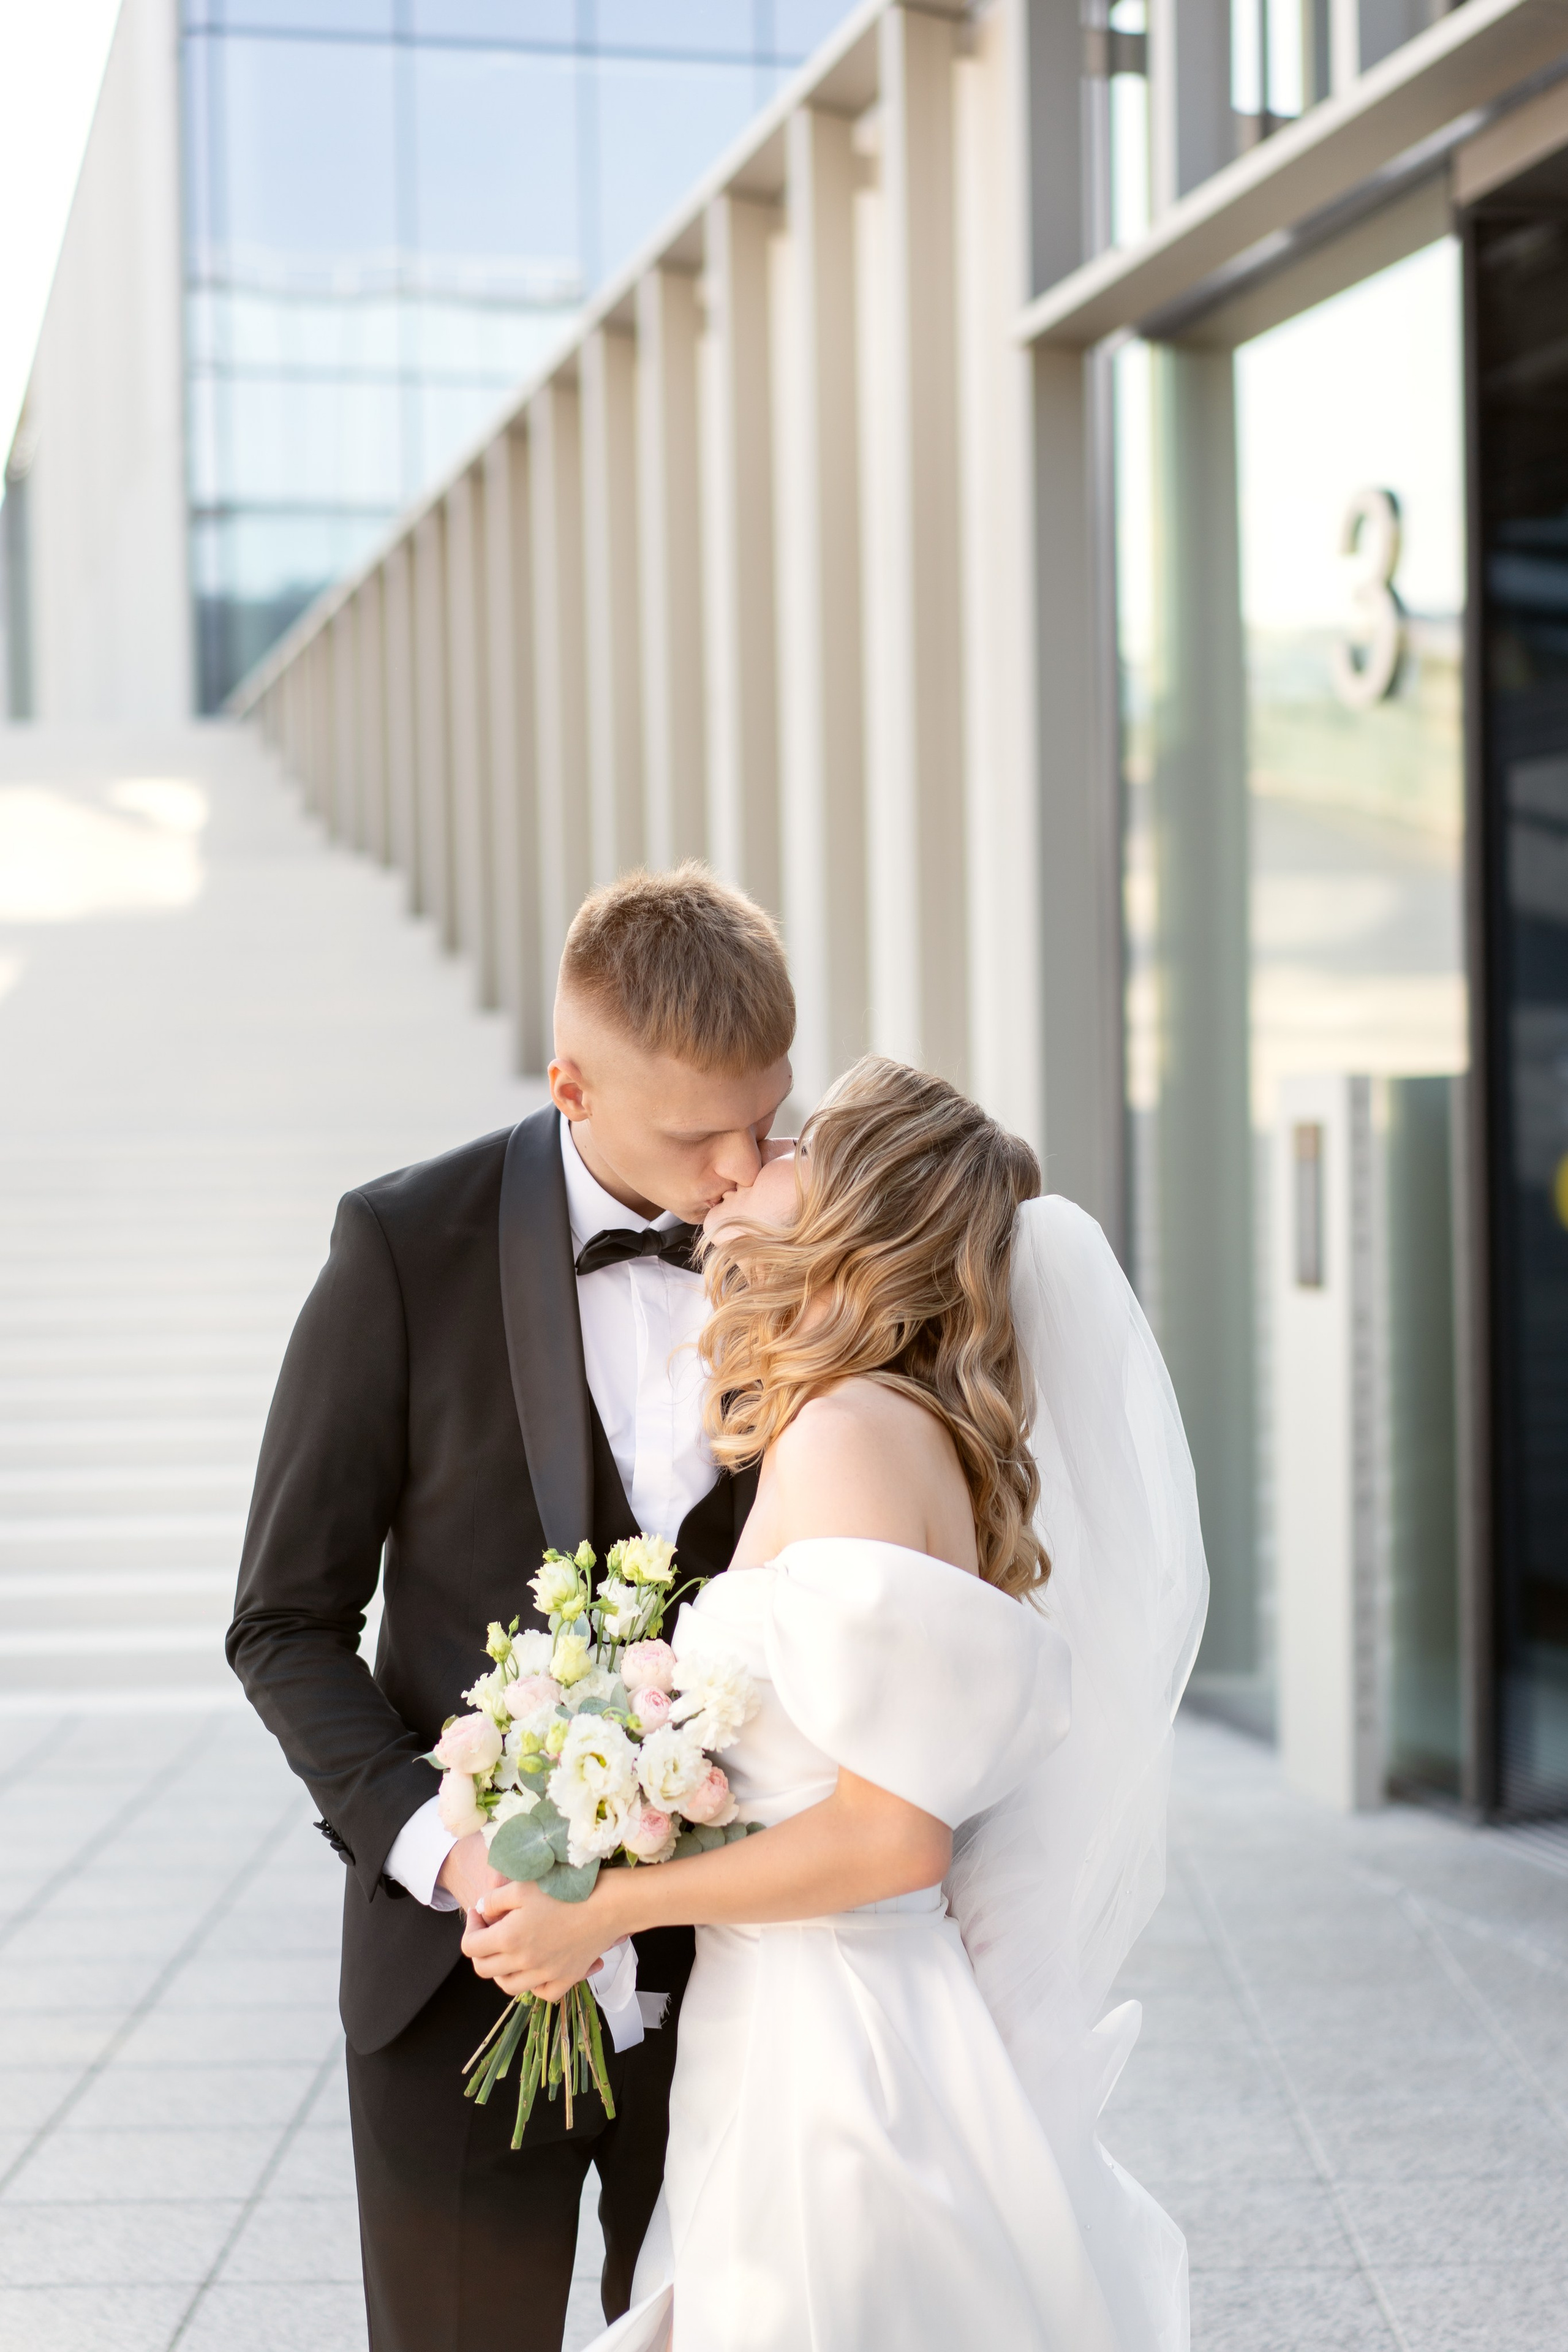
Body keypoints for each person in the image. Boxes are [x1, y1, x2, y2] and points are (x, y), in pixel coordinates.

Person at [462, 1057, 1210, 2352]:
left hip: (841, 2056)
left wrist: (604, 1899)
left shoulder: (850, 1434)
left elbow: (890, 1837)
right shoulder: (864, 1419)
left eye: (797, 1143)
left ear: (856, 1207)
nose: (755, 1162)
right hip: (799, 2028)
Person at [227, 865, 796, 2352]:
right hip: (459, 1987)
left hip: (746, 1973)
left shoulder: (817, 1253)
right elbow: (282, 1620)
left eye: (768, 1115)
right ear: (570, 1085)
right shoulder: (403, 1250)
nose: (743, 1168)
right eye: (697, 1133)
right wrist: (450, 1849)